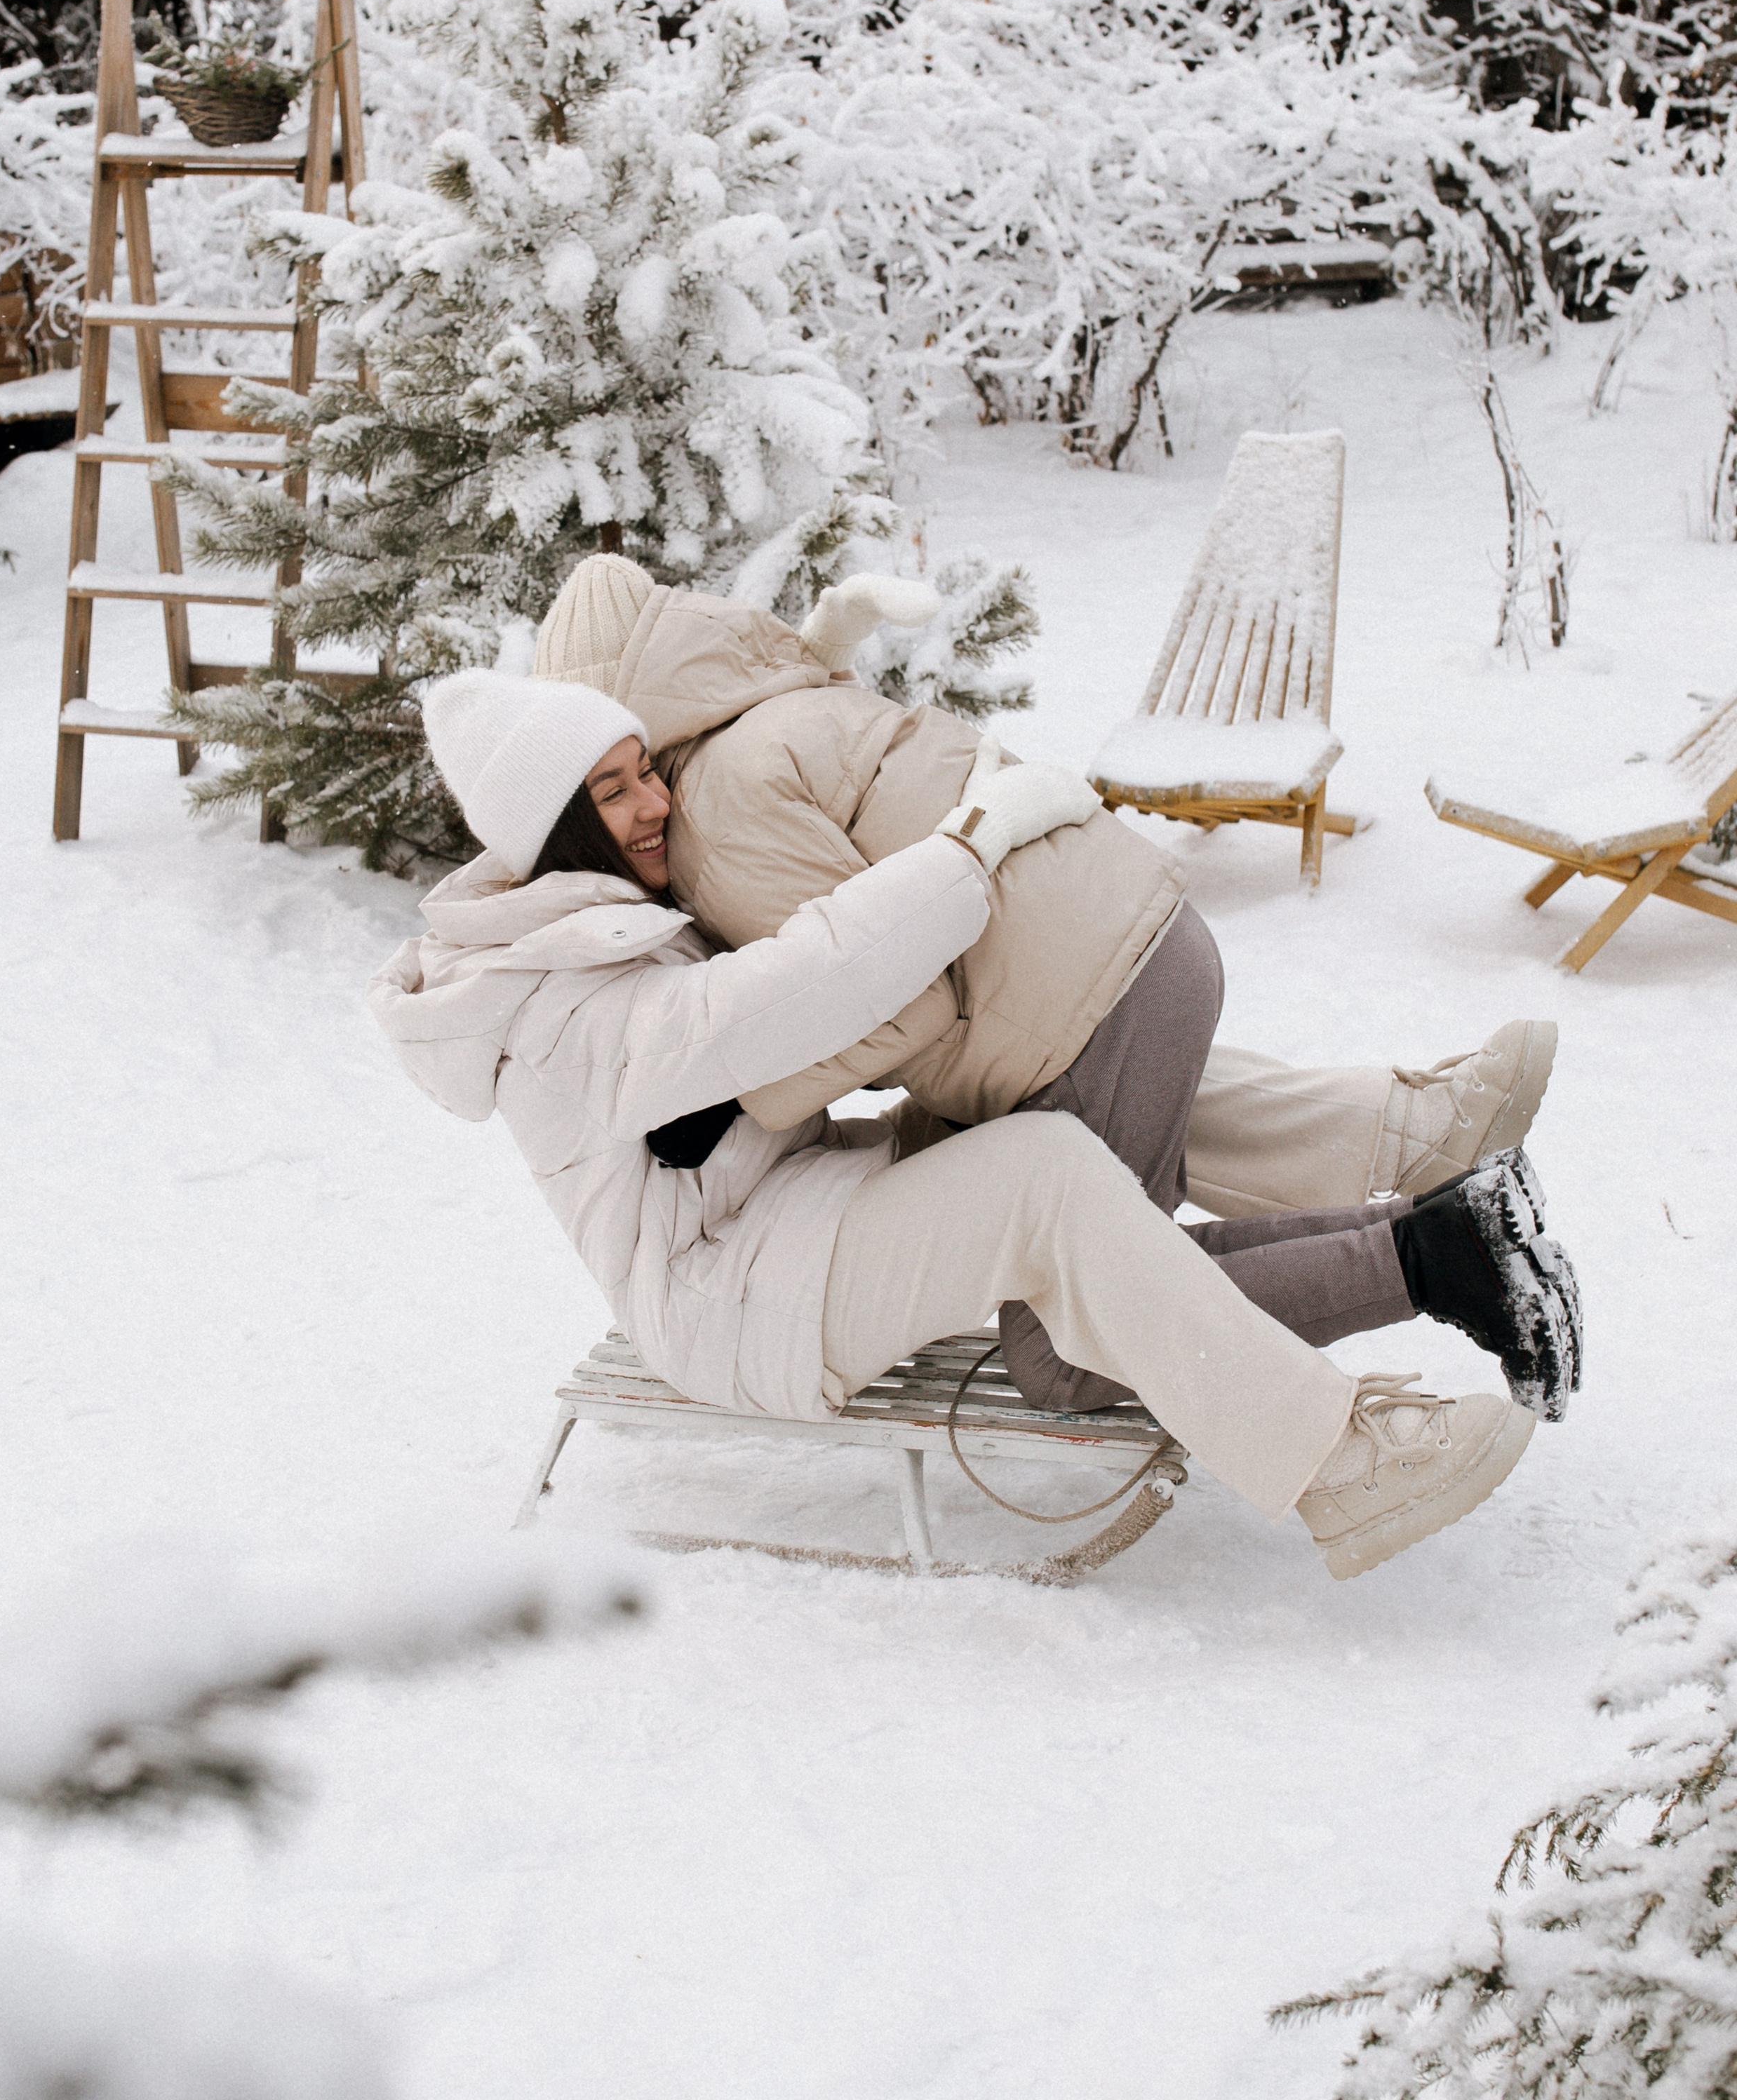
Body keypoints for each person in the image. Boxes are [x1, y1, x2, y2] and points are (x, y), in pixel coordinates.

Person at [369, 671, 1548, 1580]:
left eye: (644, 771)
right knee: (1044, 1172)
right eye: (612, 790)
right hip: (739, 1302)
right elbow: (801, 983)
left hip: (796, 1214)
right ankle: (1338, 1465)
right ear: (551, 829)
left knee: (1043, 1051)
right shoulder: (550, 999)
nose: (653, 803)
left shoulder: (602, 920)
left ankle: (1407, 1134)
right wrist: (972, 843)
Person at [526, 555, 1580, 1413]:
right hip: (1126, 943)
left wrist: (741, 1089)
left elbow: (900, 1002)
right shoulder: (780, 710)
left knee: (1071, 1348)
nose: (629, 799)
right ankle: (1446, 1194)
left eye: (614, 764)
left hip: (1085, 1006)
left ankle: (1444, 1256)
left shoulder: (713, 812)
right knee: (1101, 1243)